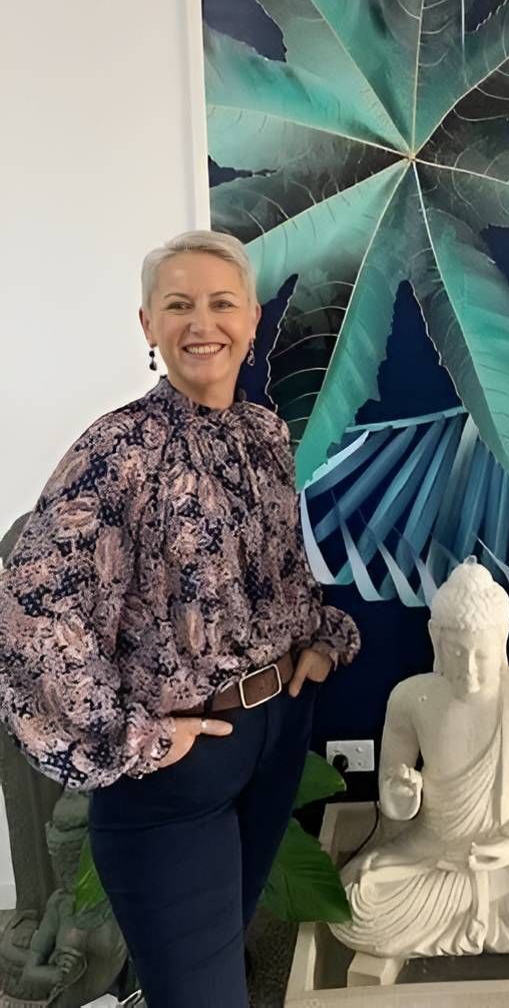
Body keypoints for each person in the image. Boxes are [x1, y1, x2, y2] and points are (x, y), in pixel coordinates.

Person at [0, 230, 360, 1008]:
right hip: (174, 766)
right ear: (148, 326)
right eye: (179, 305)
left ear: (252, 319)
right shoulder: (116, 449)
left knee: (216, 968)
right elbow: (32, 608)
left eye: (221, 303)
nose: (204, 323)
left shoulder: (265, 435)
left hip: (272, 737)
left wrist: (318, 645)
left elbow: (281, 574)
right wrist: (127, 735)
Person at [332, 558, 509, 960]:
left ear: (502, 639)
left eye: (480, 656)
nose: (469, 671)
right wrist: (402, 791)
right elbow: (394, 808)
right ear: (436, 638)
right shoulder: (411, 698)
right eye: (456, 653)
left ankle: (478, 906)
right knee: (353, 907)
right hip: (435, 853)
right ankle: (486, 910)